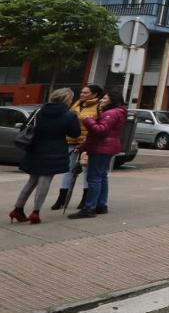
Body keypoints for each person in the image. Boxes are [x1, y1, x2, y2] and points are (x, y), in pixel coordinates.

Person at [10, 88, 81, 225]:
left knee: (32, 180)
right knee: (45, 181)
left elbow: (24, 127)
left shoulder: (39, 111)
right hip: (55, 150)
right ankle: (35, 212)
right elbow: (75, 134)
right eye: (71, 99)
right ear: (67, 99)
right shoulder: (69, 115)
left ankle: (17, 209)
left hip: (36, 149)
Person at [70, 89, 126, 219]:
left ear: (112, 101)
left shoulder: (111, 113)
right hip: (106, 147)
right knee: (102, 176)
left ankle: (89, 208)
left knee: (94, 178)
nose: (101, 100)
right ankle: (100, 205)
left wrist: (89, 120)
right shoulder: (116, 112)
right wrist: (83, 146)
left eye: (105, 98)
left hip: (101, 148)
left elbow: (100, 131)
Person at [50, 84, 102, 211]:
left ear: (94, 94)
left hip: (87, 143)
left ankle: (85, 198)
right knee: (68, 169)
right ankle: (62, 197)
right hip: (72, 140)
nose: (82, 94)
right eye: (82, 92)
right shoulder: (76, 104)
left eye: (85, 92)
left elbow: (99, 125)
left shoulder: (99, 106)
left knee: (86, 169)